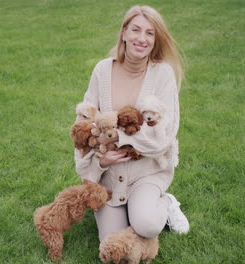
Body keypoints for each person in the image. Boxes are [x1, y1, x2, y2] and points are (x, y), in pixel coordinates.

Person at [74, 5, 190, 243]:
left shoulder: (163, 74)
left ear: (155, 40)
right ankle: (127, 209)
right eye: (135, 30)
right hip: (109, 175)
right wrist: (100, 162)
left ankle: (166, 203)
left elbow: (165, 135)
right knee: (112, 243)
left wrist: (118, 137)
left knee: (146, 225)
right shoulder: (102, 70)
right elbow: (83, 124)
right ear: (124, 33)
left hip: (145, 171)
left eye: (150, 33)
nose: (141, 38)